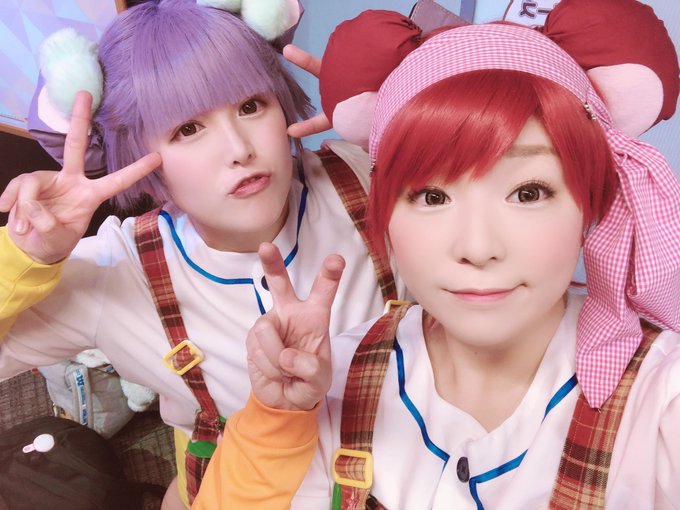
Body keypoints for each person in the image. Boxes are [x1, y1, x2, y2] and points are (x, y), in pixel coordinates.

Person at [193, 0, 680, 508]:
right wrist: (276, 421)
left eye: (529, 192)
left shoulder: (660, 400)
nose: (477, 248)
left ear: (591, 200)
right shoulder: (335, 374)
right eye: (431, 196)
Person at [0, 0, 406, 508]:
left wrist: (414, 112)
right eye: (188, 129)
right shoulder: (119, 270)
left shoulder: (366, 177)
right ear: (136, 153)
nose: (239, 148)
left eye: (251, 105)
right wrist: (24, 258)